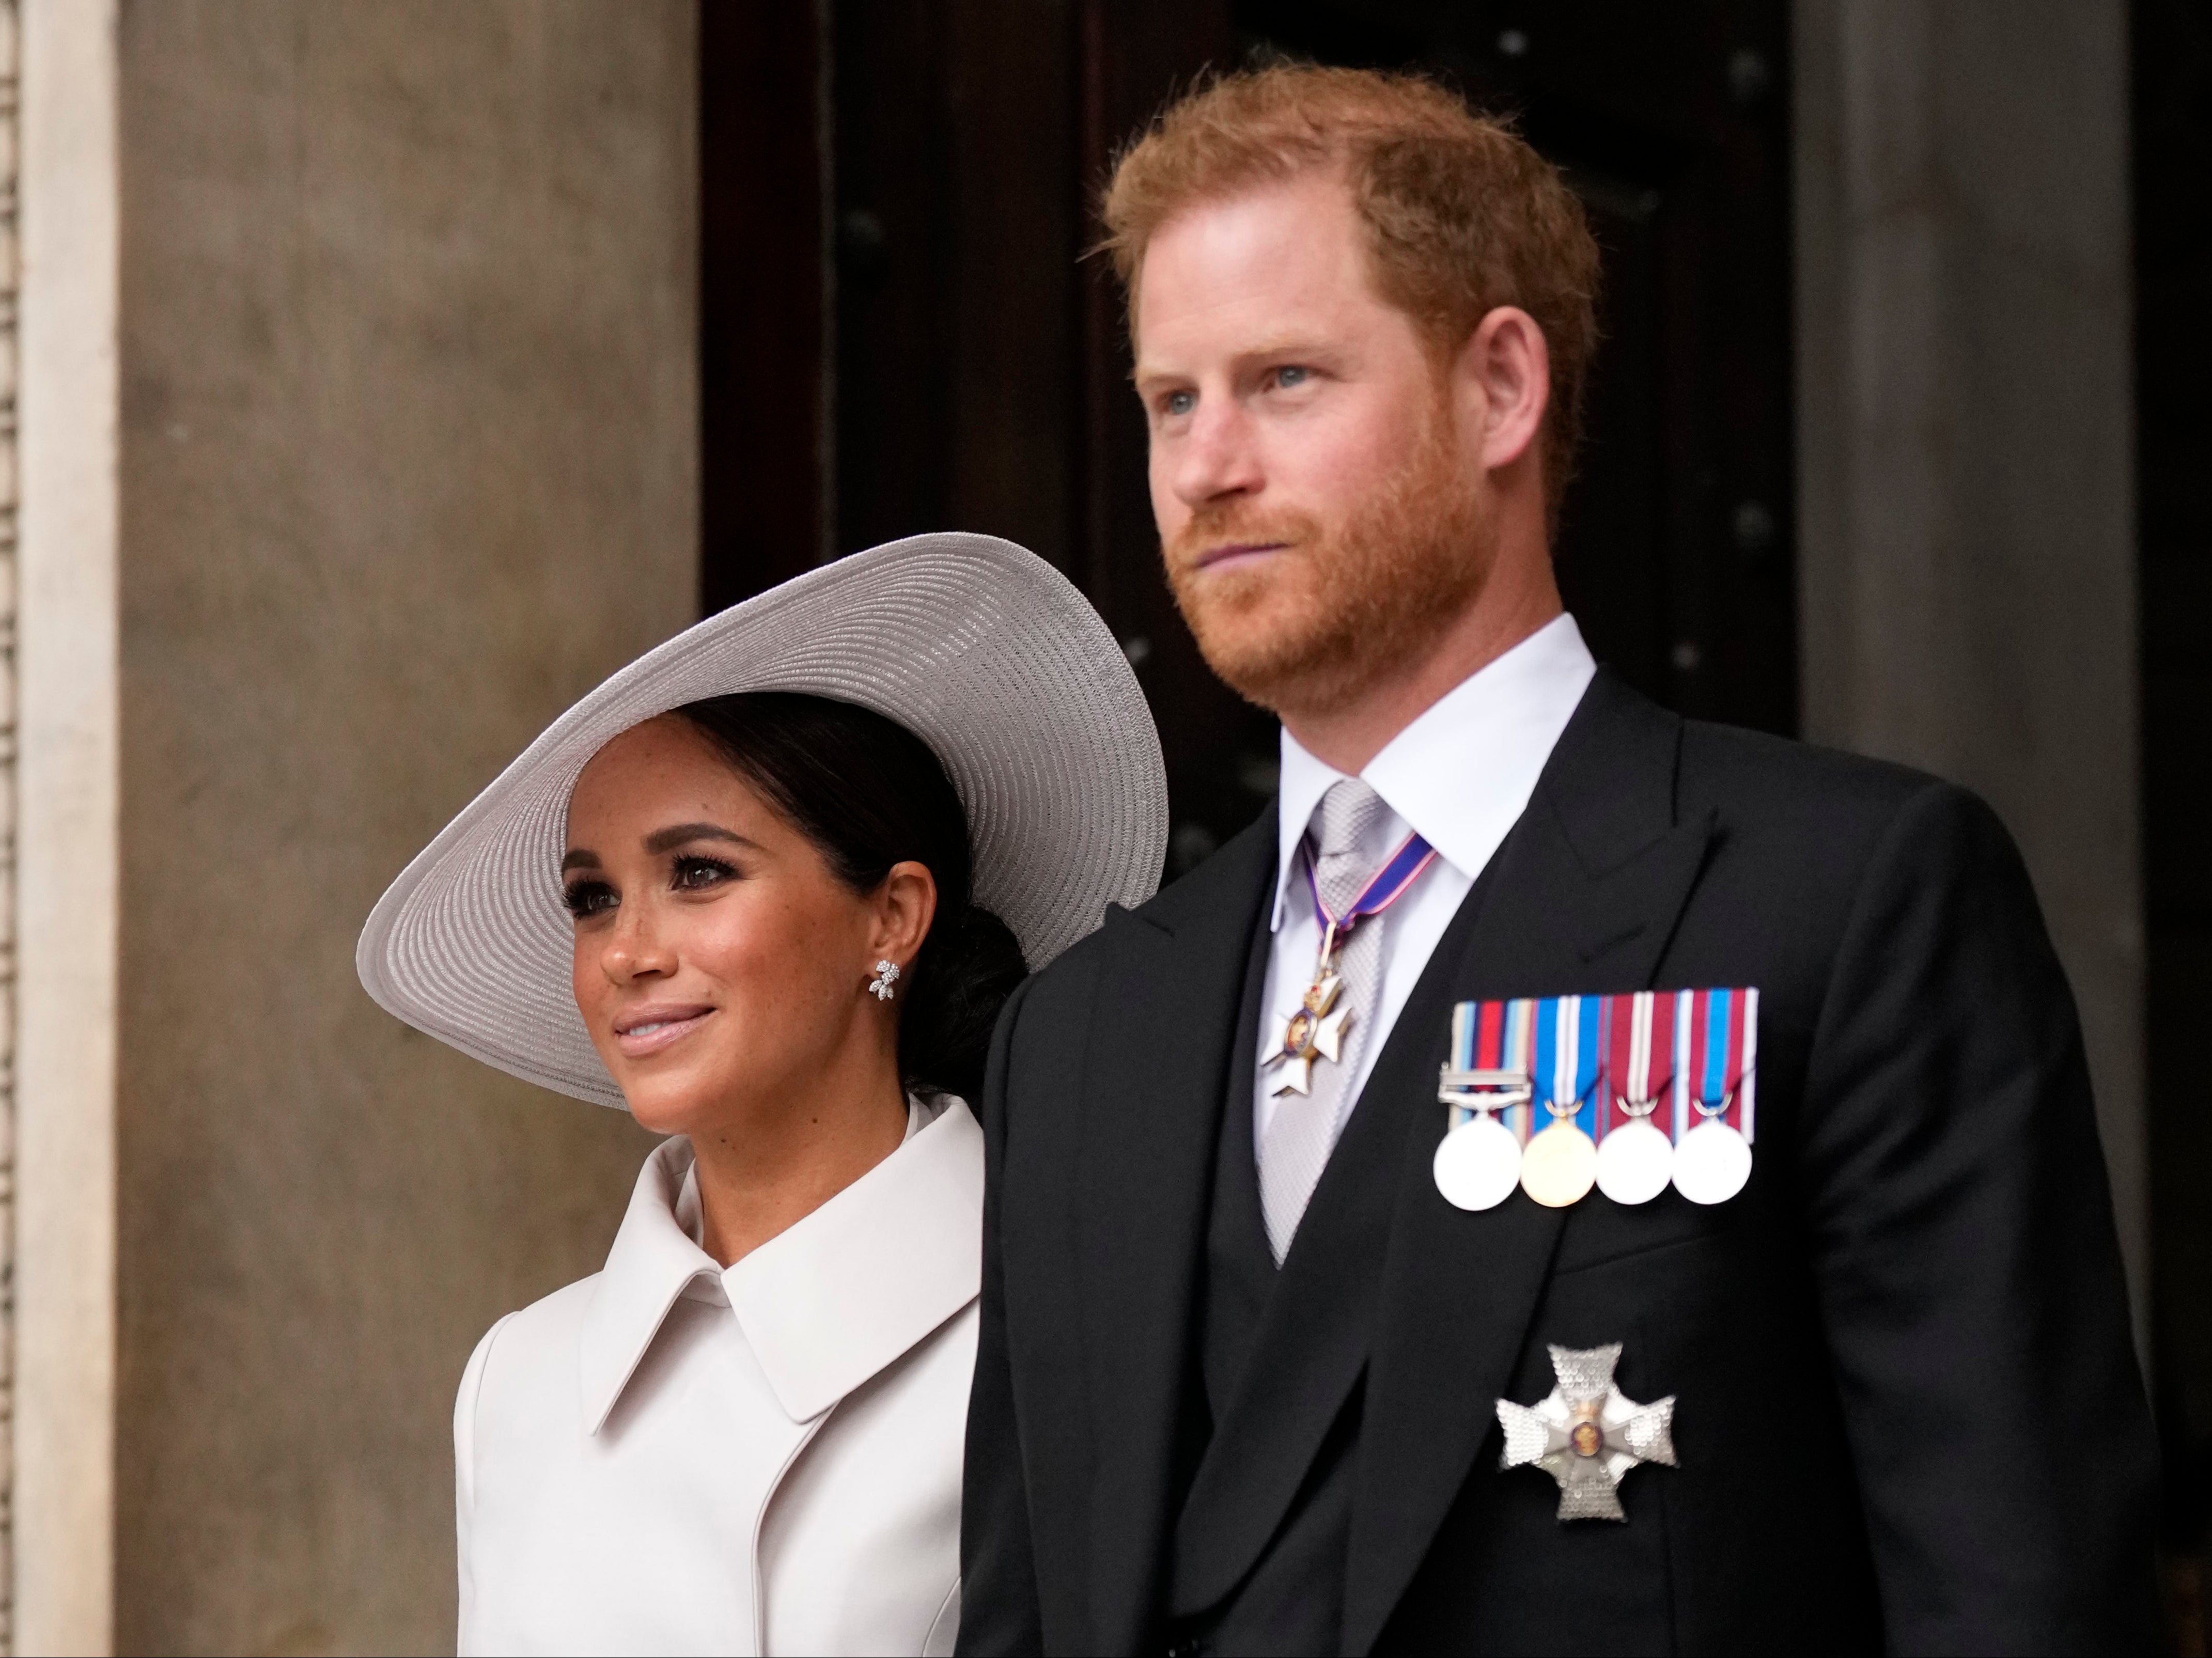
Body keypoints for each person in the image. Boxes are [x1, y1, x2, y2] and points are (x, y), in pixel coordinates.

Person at [957, 65, 2158, 1656]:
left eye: (1287, 378)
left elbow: (2020, 1604)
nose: (1204, 465)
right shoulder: (1083, 1031)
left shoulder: (1846, 903)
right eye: (1172, 399)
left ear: (1500, 389)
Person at [356, 533, 1166, 1656]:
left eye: (697, 873)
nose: (624, 952)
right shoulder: (519, 1380)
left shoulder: (1076, 1329)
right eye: (592, 898)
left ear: (892, 917)